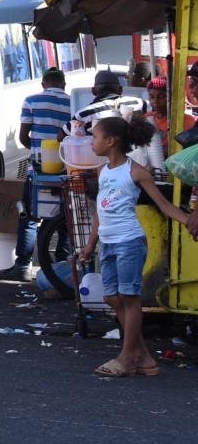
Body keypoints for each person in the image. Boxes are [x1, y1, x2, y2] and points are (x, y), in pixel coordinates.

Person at [81, 112, 196, 378]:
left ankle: (126, 357)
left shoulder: (136, 172)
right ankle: (143, 357)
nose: (91, 142)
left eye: (95, 137)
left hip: (129, 241)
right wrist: (90, 244)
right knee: (112, 297)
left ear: (111, 141)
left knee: (130, 299)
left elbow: (164, 205)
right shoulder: (102, 171)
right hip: (108, 243)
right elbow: (101, 209)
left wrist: (189, 221)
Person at [11, 67, 73, 281]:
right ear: (63, 84)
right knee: (66, 217)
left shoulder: (31, 100)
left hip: (38, 168)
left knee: (28, 216)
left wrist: (37, 150)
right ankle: (63, 263)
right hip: (67, 168)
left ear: (43, 84)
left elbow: (23, 136)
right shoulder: (72, 102)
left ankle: (22, 266)